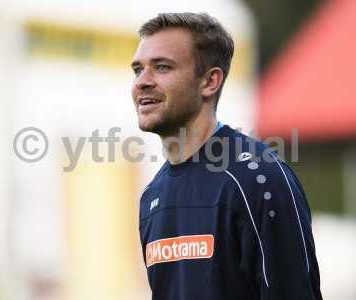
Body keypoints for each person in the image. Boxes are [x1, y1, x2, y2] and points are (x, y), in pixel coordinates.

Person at [131, 12, 322, 300]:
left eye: (162, 67)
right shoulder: (152, 196)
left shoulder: (259, 177)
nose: (142, 82)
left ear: (209, 82)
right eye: (137, 70)